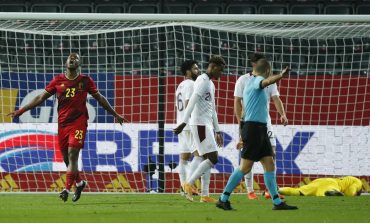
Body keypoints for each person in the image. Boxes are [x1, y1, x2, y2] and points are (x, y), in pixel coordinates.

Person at [8, 53, 127, 202]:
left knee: (72, 154)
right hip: (62, 125)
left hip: (79, 123)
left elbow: (100, 98)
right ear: (65, 62)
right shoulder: (58, 80)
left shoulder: (85, 80)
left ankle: (66, 189)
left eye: (75, 58)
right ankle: (79, 183)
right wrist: (21, 110)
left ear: (79, 63)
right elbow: (40, 98)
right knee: (66, 159)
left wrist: (115, 114)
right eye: (70, 57)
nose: (72, 59)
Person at [216, 59, 297, 211]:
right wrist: (280, 75)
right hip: (253, 129)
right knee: (245, 167)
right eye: (270, 71)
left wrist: (242, 133)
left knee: (269, 163)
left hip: (259, 129)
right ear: (267, 70)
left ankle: (277, 202)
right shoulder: (257, 80)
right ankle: (223, 199)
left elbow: (244, 112)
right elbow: (266, 83)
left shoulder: (250, 83)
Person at [234, 53, 287, 200]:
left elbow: (276, 99)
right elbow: (237, 102)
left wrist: (282, 114)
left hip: (265, 123)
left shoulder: (269, 81)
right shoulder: (243, 80)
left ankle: (270, 191)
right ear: (254, 65)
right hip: (249, 123)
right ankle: (250, 190)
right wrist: (241, 123)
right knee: (248, 159)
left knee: (272, 154)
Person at [174, 55, 226, 202]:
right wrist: (184, 122)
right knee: (211, 157)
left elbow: (213, 109)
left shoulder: (210, 83)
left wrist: (217, 130)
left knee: (205, 158)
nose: (221, 74)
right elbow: (191, 102)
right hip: (198, 124)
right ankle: (188, 185)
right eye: (220, 70)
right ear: (213, 67)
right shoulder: (201, 81)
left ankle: (203, 194)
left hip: (206, 124)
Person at [279, 176, 363, 197]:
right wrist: (353, 195)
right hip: (332, 184)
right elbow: (351, 192)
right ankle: (332, 192)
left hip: (320, 180)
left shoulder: (348, 179)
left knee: (298, 191)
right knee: (331, 190)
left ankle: (277, 190)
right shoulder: (359, 182)